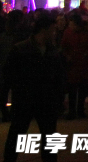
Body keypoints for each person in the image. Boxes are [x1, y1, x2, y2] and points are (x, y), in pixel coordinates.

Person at [3, 16, 63, 162]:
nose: (54, 33)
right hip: (25, 99)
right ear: (44, 30)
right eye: (53, 30)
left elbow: (60, 78)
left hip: (46, 100)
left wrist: (58, 98)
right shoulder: (21, 49)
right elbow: (8, 76)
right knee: (17, 133)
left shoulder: (52, 52)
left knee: (48, 136)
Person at [61, 13, 88, 119]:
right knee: (72, 89)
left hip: (84, 64)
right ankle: (72, 111)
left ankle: (80, 109)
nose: (70, 26)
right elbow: (63, 46)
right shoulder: (68, 32)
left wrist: (87, 52)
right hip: (72, 64)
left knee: (83, 88)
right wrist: (67, 55)